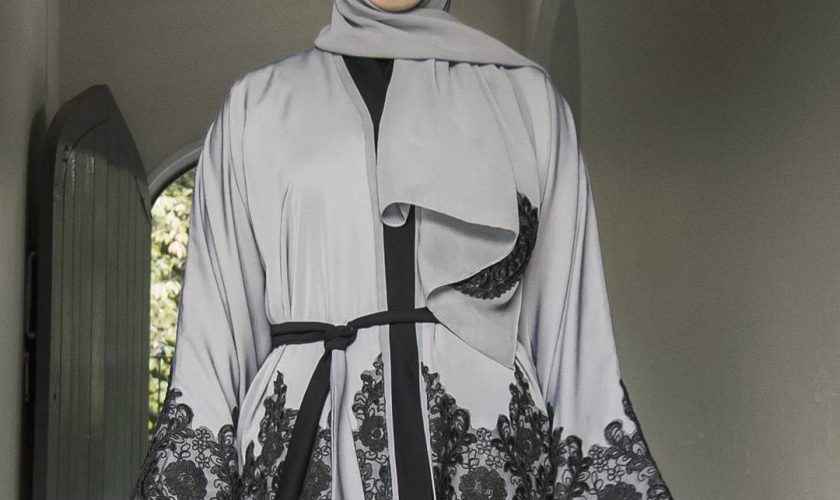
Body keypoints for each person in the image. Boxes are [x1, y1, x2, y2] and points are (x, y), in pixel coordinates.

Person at [133, 1, 673, 499]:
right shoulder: (258, 105)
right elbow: (214, 346)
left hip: (486, 459)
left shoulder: (527, 102)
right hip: (307, 455)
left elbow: (573, 342)